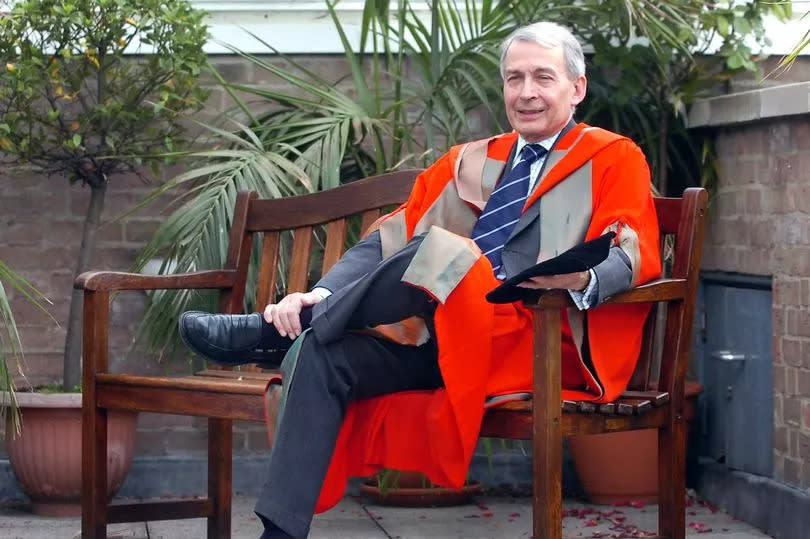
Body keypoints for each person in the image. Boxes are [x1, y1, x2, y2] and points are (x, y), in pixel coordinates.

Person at [179, 20, 661, 539]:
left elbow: (629, 248)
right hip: (436, 337)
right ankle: (280, 533)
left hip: (528, 342)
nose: (526, 93)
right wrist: (320, 290)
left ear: (577, 88)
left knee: (447, 250)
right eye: (514, 78)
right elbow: (389, 239)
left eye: (543, 77)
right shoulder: (472, 161)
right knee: (320, 353)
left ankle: (276, 330)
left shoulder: (612, 158)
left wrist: (582, 276)